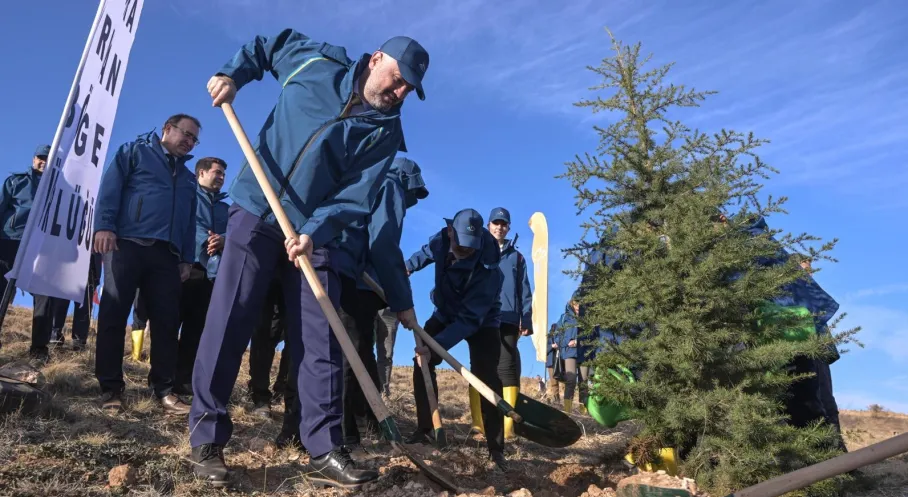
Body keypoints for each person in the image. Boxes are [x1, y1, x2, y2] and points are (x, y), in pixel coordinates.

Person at [188, 29, 429, 490]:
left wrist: (312, 233)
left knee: (322, 336)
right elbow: (267, 47)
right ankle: (207, 438)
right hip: (257, 207)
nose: (398, 93)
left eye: (408, 90)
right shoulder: (317, 62)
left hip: (315, 238)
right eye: (397, 79)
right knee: (231, 319)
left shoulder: (386, 131)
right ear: (377, 58)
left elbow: (355, 198)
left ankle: (322, 447)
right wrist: (233, 75)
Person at [92, 114, 201, 414]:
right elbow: (109, 190)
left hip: (166, 256)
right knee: (114, 314)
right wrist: (104, 226)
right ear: (167, 129)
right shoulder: (134, 152)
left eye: (194, 139)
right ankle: (111, 389)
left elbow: (190, 223)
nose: (189, 141)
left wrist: (187, 258)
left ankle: (164, 390)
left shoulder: (190, 179)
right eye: (186, 134)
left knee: (166, 322)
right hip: (126, 244)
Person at [404, 208, 507, 471]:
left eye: (470, 248)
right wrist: (407, 267)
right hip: (446, 311)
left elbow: (469, 320)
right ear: (451, 232)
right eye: (460, 245)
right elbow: (427, 253)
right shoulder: (441, 240)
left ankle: (496, 449)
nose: (465, 251)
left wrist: (436, 348)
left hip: (481, 320)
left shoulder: (489, 267)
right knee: (421, 361)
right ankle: (426, 428)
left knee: (487, 377)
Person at [469, 207, 532, 440]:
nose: (499, 227)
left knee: (507, 369)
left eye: (504, 224)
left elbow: (525, 290)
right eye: (496, 223)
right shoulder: (477, 250)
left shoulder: (517, 257)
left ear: (508, 228)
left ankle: (508, 427)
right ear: (488, 226)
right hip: (481, 317)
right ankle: (479, 425)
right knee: (479, 368)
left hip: (508, 318)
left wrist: (526, 318)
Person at [172, 157, 229, 396]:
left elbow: (236, 232)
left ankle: (184, 381)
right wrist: (204, 242)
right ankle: (162, 377)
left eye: (223, 174)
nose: (221, 177)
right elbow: (185, 223)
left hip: (212, 274)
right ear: (201, 173)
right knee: (170, 324)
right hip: (185, 266)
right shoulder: (186, 195)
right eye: (217, 172)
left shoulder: (227, 209)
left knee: (196, 329)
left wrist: (224, 239)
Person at [0, 144, 57, 363]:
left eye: (48, 158)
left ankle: (39, 350)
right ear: (34, 159)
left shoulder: (59, 188)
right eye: (40, 157)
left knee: (44, 295)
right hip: (9, 242)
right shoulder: (16, 182)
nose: (43, 161)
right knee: (1, 293)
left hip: (40, 248)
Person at [247, 279, 290, 418]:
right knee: (266, 332)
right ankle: (260, 396)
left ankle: (284, 391)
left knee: (296, 336)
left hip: (298, 274)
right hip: (269, 273)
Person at [49, 253, 102, 351]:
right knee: (60, 299)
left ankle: (79, 342)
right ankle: (54, 335)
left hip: (90, 262)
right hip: (67, 257)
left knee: (84, 305)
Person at [374, 307, 399, 398]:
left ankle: (383, 393)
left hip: (390, 310)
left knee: (386, 354)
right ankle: (362, 390)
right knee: (362, 349)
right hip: (365, 301)